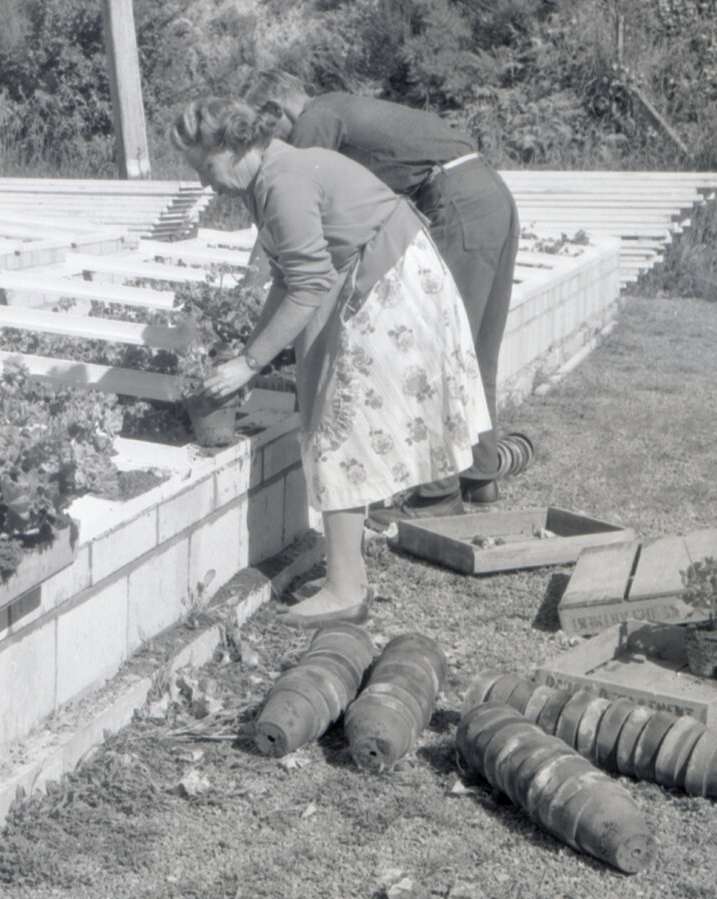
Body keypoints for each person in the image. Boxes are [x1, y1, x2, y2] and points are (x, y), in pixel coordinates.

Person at [173, 98, 491, 627]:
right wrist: (249, 353)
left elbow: (308, 283)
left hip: (389, 282)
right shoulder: (271, 174)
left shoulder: (282, 181)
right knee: (334, 421)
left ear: (233, 147)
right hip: (385, 268)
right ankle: (347, 577)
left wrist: (248, 365)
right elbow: (286, 275)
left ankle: (346, 589)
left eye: (205, 168)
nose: (206, 184)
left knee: (336, 427)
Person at [243, 70, 519, 513]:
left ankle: (438, 495)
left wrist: (251, 284)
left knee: (434, 350)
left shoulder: (314, 119)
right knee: (473, 348)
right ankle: (480, 477)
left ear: (277, 110)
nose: (259, 143)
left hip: (457, 199)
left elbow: (286, 200)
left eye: (262, 128)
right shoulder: (337, 103)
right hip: (489, 191)